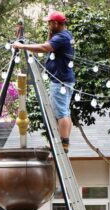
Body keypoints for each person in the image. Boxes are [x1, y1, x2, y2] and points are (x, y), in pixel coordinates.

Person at [12, 11, 75, 153]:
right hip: (65, 79)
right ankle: (64, 141)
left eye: (49, 22)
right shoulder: (65, 35)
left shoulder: (61, 37)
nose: (47, 25)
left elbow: (44, 48)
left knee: (61, 113)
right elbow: (48, 44)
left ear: (56, 23)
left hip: (60, 81)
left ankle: (63, 144)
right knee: (65, 112)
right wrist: (50, 33)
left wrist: (21, 46)